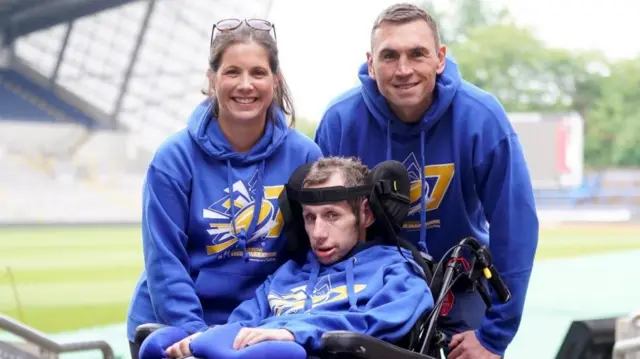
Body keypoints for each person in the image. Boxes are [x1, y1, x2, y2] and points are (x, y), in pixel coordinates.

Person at [313, 3, 539, 358]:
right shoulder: (340, 121)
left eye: (417, 54)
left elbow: (516, 226)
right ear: (371, 64)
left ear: (440, 58)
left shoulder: (482, 117)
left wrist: (494, 337)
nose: (404, 69)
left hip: (458, 285)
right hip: (370, 287)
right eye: (390, 56)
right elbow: (316, 224)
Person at [125, 18, 323, 359]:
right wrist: (198, 339)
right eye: (232, 72)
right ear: (212, 79)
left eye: (258, 73)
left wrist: (276, 328)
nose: (245, 85)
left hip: (261, 330)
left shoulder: (305, 157)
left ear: (275, 81)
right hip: (175, 327)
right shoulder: (173, 158)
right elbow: (164, 262)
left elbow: (310, 256)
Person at [152, 156, 433, 359]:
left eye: (332, 216)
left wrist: (297, 333)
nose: (318, 233)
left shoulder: (396, 270)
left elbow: (387, 321)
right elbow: (243, 322)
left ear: (366, 215)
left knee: (280, 350)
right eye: (310, 218)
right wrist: (207, 336)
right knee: (157, 344)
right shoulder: (287, 275)